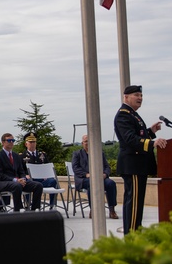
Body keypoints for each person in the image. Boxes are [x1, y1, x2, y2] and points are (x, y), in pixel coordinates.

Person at [114, 85, 167, 234]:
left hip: (138, 165)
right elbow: (130, 139)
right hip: (133, 166)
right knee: (134, 204)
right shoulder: (124, 115)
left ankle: (135, 232)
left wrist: (151, 132)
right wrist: (152, 143)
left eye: (141, 95)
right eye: (136, 95)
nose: (140, 98)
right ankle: (131, 236)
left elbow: (139, 135)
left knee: (136, 204)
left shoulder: (132, 114)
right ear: (126, 97)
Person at [0, 133, 52, 211]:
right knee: (17, 185)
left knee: (38, 185)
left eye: (13, 140)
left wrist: (23, 178)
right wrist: (16, 180)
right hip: (3, 182)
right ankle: (18, 210)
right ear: (3, 142)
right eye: (9, 140)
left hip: (18, 181)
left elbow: (21, 171)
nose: (11, 142)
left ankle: (34, 209)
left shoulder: (16, 156)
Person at [72, 134, 119, 219]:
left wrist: (105, 174)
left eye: (89, 141)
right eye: (86, 141)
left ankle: (112, 210)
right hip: (84, 179)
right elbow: (75, 168)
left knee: (111, 183)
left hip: (100, 178)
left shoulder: (99, 153)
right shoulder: (77, 154)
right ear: (82, 143)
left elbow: (107, 167)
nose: (87, 143)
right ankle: (93, 210)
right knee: (92, 184)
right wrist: (86, 174)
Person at [22, 132, 60, 206]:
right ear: (26, 144)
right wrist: (25, 175)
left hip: (42, 179)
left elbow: (47, 167)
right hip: (30, 180)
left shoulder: (42, 155)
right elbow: (19, 170)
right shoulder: (21, 156)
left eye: (34, 142)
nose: (32, 144)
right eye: (30, 142)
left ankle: (53, 205)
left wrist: (47, 175)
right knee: (26, 181)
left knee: (53, 181)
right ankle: (28, 204)